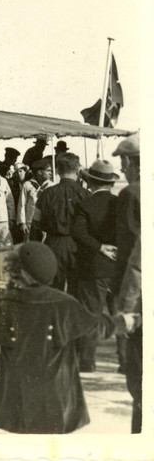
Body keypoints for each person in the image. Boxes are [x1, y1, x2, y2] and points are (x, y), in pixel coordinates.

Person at [0, 241, 130, 434]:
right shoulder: (63, 304)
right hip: (55, 398)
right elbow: (95, 328)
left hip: (15, 398)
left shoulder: (3, 304)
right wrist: (123, 322)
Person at [71, 159, 121, 372]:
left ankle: (87, 362)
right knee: (121, 314)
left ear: (90, 181)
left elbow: (78, 232)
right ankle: (126, 362)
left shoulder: (84, 204)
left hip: (93, 268)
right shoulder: (121, 202)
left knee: (90, 314)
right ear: (111, 183)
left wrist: (99, 247)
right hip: (119, 268)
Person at [111, 133, 141, 432]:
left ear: (133, 162)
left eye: (123, 160)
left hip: (140, 299)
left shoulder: (131, 194)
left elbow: (132, 255)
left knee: (140, 381)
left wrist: (123, 303)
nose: (121, 167)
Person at [34, 152, 87, 292]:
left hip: (53, 245)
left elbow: (36, 224)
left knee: (52, 291)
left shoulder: (46, 193)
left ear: (57, 170)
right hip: (79, 246)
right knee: (76, 290)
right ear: (78, 170)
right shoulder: (85, 194)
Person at [19, 157, 52, 242]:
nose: (50, 173)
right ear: (40, 172)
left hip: (46, 223)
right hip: (30, 222)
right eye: (48, 171)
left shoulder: (51, 186)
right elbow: (21, 205)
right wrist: (22, 223)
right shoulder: (27, 185)